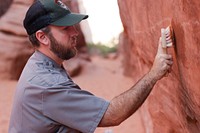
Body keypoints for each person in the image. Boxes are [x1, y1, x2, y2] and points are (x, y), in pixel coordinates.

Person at [9, 0, 173, 133]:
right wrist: (154, 73)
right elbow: (113, 115)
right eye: (66, 28)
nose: (75, 33)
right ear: (42, 37)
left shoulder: (43, 64)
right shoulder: (46, 84)